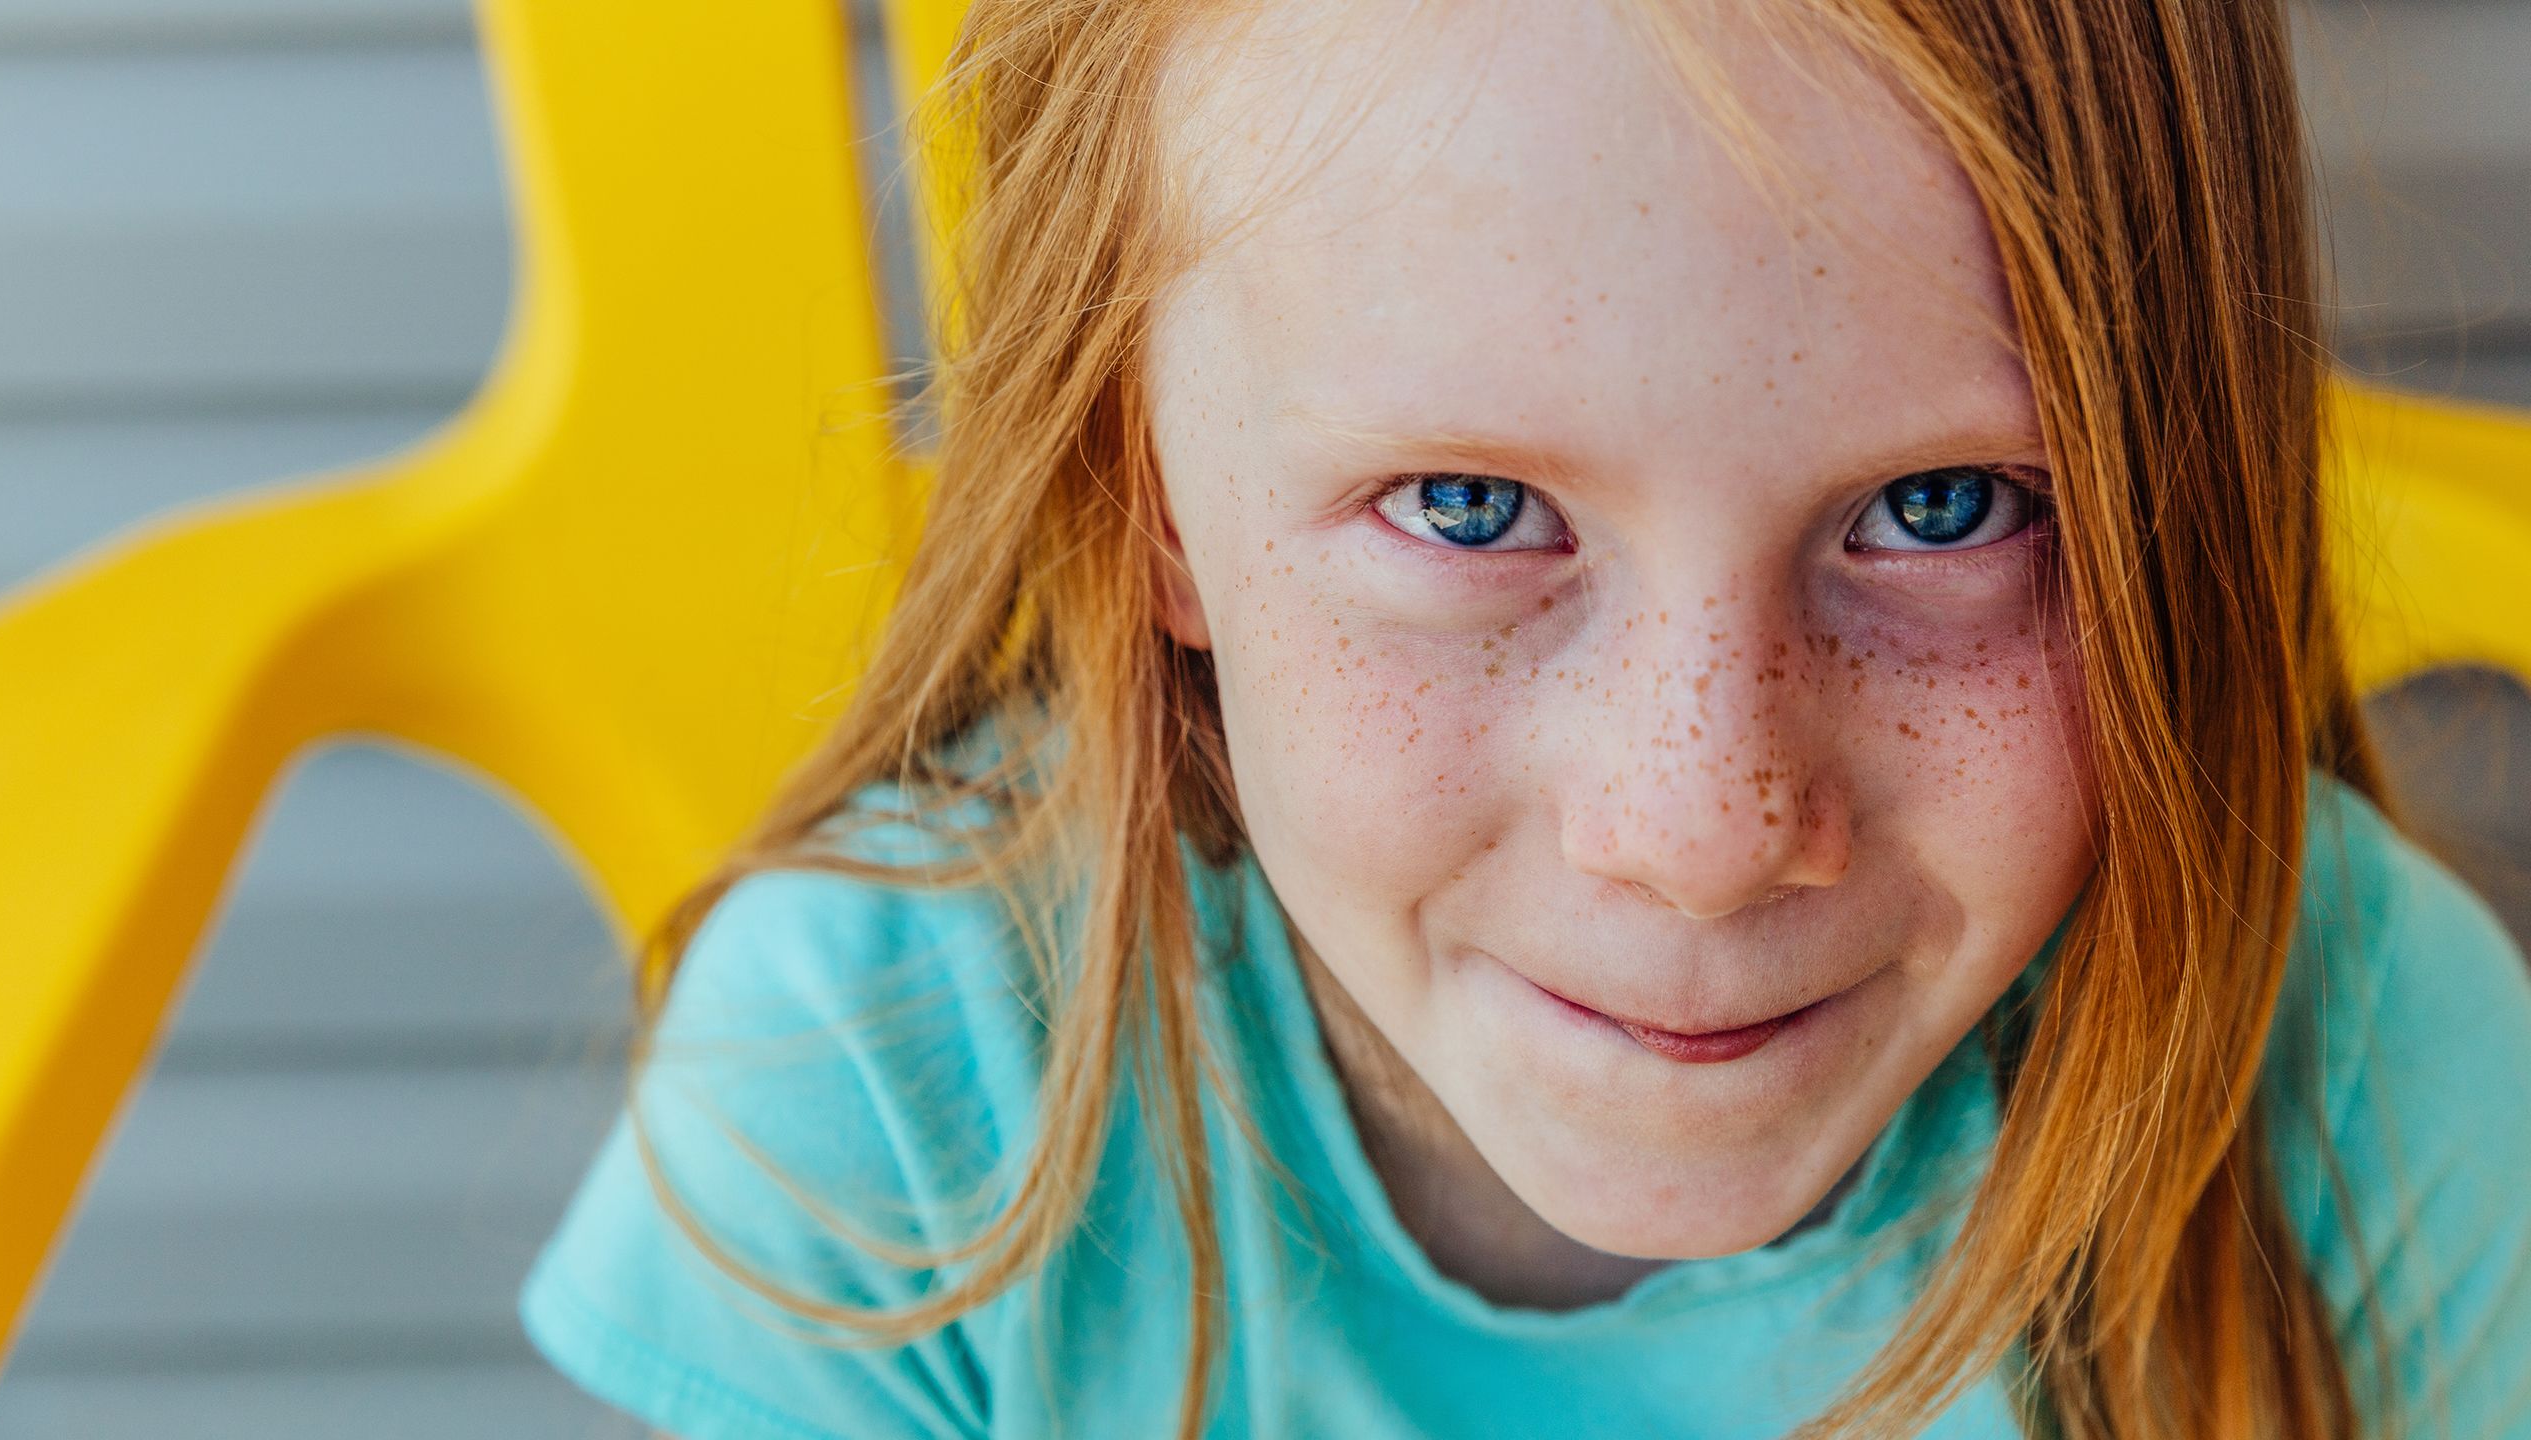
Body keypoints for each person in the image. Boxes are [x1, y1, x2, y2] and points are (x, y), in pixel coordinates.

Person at [515, 0, 2531, 1435]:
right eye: (1468, 510)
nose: (1702, 821)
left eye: (1941, 511)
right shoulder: (889, 1084)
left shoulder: (2353, 1079)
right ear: (1141, 501)